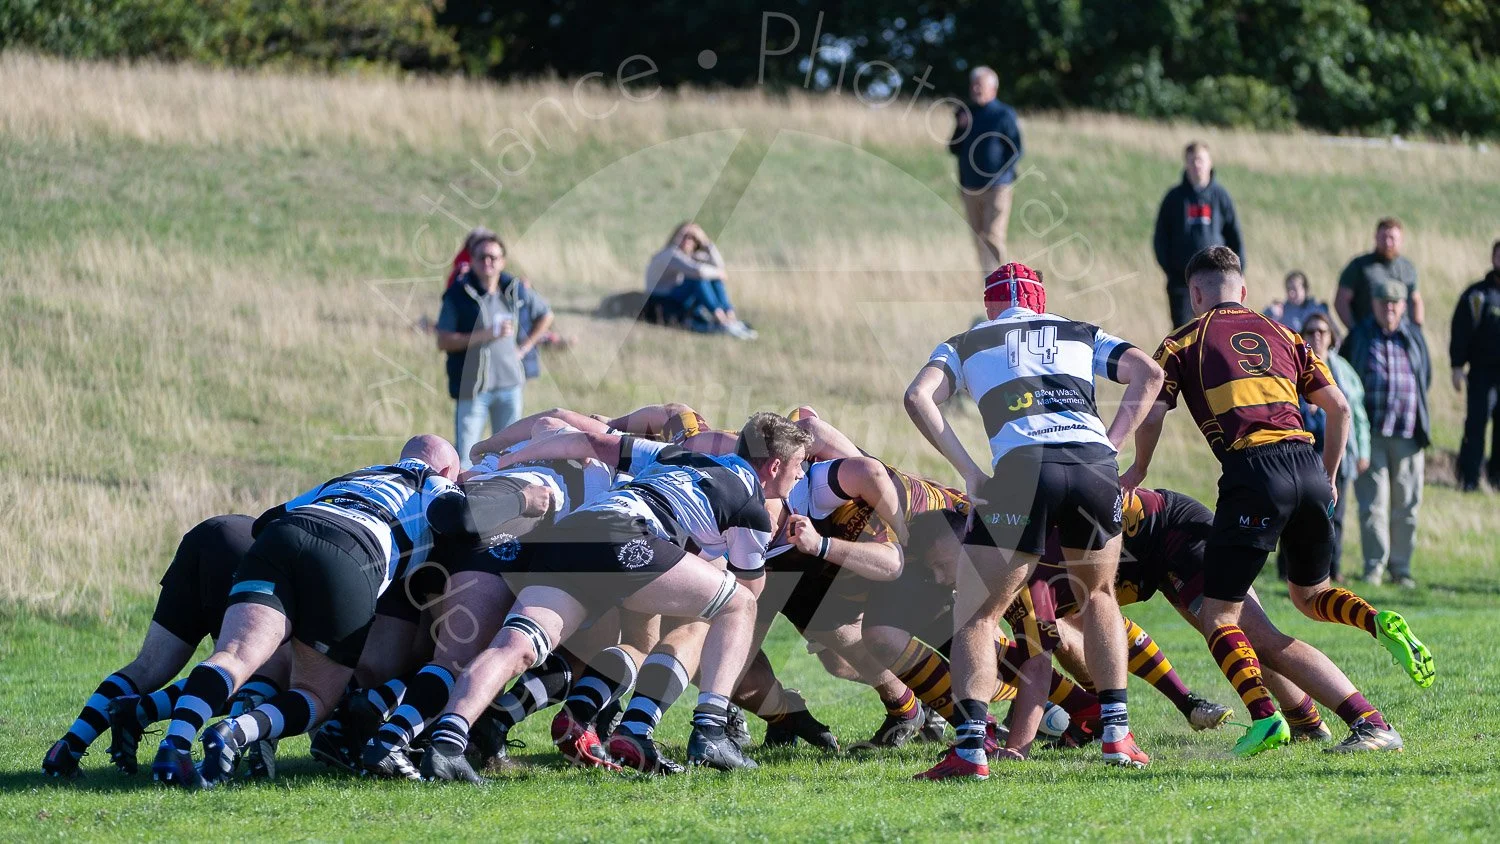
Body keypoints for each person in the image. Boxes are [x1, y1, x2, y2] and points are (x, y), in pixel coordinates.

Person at [1122, 246, 1433, 758]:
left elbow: (1152, 412)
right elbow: (1338, 407)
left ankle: (1266, 717)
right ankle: (1375, 629)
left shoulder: (1184, 340)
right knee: (1311, 596)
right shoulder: (1286, 334)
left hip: (1254, 473)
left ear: (1195, 293)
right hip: (1308, 465)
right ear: (1242, 291)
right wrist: (1328, 475)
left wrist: (1138, 470)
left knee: (1220, 617)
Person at [417, 413, 808, 782]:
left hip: (572, 534)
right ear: (775, 466)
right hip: (627, 538)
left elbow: (587, 440)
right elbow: (748, 592)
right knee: (739, 605)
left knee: (515, 646)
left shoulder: (676, 455)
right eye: (799, 465)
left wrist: (508, 460)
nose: (801, 473)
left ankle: (447, 745)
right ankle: (711, 731)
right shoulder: (753, 509)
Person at [904, 261, 1166, 778]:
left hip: (1023, 471)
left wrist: (970, 472)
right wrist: (1111, 445)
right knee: (1099, 597)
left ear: (990, 306)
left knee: (978, 614)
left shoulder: (965, 342)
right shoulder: (1080, 331)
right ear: (1039, 301)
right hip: (1093, 467)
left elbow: (917, 397)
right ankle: (1117, 735)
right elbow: (1150, 373)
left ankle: (971, 750)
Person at [149, 435, 464, 788]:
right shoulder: (432, 480)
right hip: (353, 550)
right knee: (316, 695)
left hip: (283, 536)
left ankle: (175, 746)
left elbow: (266, 521)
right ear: (448, 471)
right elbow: (455, 516)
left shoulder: (358, 474)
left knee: (234, 656)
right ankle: (234, 733)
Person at [43, 516, 290, 780]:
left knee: (147, 666)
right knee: (246, 672)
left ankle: (68, 747)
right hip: (248, 551)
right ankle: (220, 757)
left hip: (206, 535)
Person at [437, 233, 555, 466]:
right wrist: (485, 335)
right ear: (472, 260)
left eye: (493, 257)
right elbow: (444, 341)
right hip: (473, 389)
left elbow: (546, 315)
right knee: (465, 456)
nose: (487, 262)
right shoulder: (458, 294)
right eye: (481, 257)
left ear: (503, 261)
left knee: (509, 456)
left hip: (510, 386)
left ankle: (503, 490)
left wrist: (524, 348)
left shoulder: (515, 290)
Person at [1342, 281, 1432, 588]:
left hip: (1408, 435)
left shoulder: (1414, 336)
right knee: (1373, 505)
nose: (1389, 308)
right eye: (1383, 302)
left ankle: (1401, 569)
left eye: (1395, 303)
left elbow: (1425, 377)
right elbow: (1347, 379)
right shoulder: (1359, 336)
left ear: (1404, 306)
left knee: (1406, 506)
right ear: (1374, 305)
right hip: (1371, 435)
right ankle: (1374, 568)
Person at [1276, 312, 1368, 582]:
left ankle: (1332, 569)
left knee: (1334, 513)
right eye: (1311, 331)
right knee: (1293, 512)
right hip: (1299, 454)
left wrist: (1363, 450)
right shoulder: (1291, 367)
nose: (1316, 336)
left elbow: (1356, 412)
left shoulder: (1343, 371)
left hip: (1336, 453)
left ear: (1331, 337)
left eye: (1322, 331)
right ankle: (1287, 570)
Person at [1153, 141, 1244, 329]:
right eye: (1192, 161)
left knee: (1218, 330)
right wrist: (1172, 270)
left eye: (1200, 160)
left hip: (1218, 281)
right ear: (1186, 164)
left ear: (1210, 162)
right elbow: (1160, 238)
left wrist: (1238, 272)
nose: (1196, 165)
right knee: (1185, 332)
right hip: (1182, 283)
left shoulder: (1221, 196)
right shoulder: (1174, 198)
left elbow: (1234, 236)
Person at [948, 66, 1023, 270]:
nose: (975, 89)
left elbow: (1016, 150)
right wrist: (960, 127)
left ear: (993, 89)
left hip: (997, 188)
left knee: (993, 236)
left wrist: (999, 175)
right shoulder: (965, 113)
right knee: (978, 238)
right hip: (970, 187)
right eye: (973, 85)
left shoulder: (1003, 114)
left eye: (980, 85)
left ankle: (1000, 282)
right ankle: (987, 280)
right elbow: (954, 148)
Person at [644, 222, 755, 339]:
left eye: (692, 238)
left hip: (675, 298)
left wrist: (706, 242)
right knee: (698, 280)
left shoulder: (688, 255)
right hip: (660, 301)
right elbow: (698, 272)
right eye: (683, 235)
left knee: (713, 278)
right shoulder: (670, 254)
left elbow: (719, 265)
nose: (687, 240)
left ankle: (730, 317)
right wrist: (719, 273)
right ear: (675, 236)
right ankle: (721, 320)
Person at [1450, 240, 1500, 492]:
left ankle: (1497, 479)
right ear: (1493, 258)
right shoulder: (1477, 295)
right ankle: (1470, 478)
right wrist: (1457, 366)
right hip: (1482, 373)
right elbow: (1461, 330)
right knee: (1476, 425)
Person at [1336, 217, 1423, 330]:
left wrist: (1416, 330)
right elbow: (1341, 301)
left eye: (1392, 238)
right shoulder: (1359, 266)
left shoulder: (1407, 268)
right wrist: (1355, 330)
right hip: (1368, 333)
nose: (1387, 243)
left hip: (1401, 334)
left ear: (1401, 240)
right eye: (1383, 237)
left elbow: (1415, 301)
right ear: (1376, 237)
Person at [1264, 271, 1329, 332]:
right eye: (1288, 289)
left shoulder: (1318, 309)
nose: (1291, 293)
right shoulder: (1280, 311)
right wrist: (1271, 314)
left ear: (1305, 289)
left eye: (1295, 289)